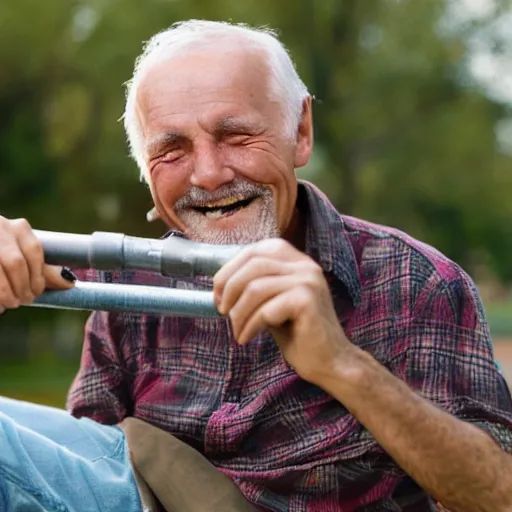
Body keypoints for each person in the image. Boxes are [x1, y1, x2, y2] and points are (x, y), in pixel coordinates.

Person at [0, 19, 511, 512]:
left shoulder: (415, 283)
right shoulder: (129, 283)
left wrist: (341, 364)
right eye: (172, 150)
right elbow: (80, 468)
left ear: (301, 131)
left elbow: (499, 496)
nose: (209, 173)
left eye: (236, 136)